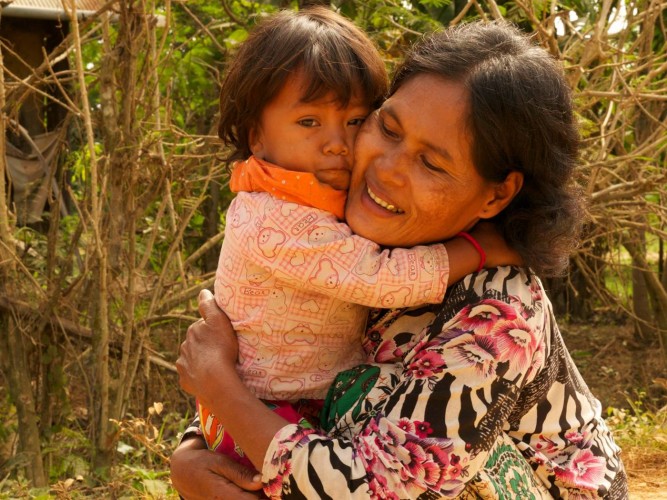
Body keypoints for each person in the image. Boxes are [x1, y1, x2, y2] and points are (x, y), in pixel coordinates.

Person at [173, 19, 628, 499]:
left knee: (369, 406)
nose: (385, 170)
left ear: (496, 196)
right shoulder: (333, 232)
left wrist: (219, 387)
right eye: (386, 127)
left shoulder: (496, 310)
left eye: (431, 164)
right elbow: (280, 364)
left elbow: (377, 490)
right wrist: (193, 451)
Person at [197, 6, 512, 470]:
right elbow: (377, 275)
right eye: (309, 122)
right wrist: (484, 248)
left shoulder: (318, 195)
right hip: (263, 412)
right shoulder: (274, 217)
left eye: (354, 120)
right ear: (256, 137)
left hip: (301, 410)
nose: (336, 143)